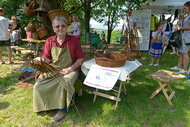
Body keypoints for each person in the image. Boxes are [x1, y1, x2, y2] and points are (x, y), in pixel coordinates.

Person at [32, 16, 84, 122]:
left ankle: (62, 109)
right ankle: (44, 105)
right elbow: (46, 58)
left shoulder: (73, 40)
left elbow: (80, 59)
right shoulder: (50, 41)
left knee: (65, 82)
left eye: (63, 26)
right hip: (54, 69)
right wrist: (40, 60)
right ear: (53, 28)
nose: (60, 28)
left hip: (71, 69)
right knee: (39, 84)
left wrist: (70, 69)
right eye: (57, 26)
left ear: (67, 27)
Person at [171, 1, 190, 74]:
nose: (184, 10)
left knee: (185, 53)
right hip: (183, 37)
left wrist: (180, 28)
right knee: (181, 52)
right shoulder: (187, 16)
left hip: (187, 37)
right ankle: (179, 66)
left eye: (185, 8)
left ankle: (185, 69)